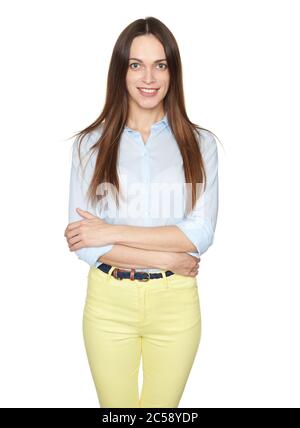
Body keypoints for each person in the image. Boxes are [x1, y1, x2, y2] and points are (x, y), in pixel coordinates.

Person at [64, 16, 219, 408]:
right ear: (121, 71)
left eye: (160, 64)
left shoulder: (200, 145)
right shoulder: (89, 145)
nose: (148, 77)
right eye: (136, 64)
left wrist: (111, 232)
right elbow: (85, 244)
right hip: (108, 304)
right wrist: (168, 257)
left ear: (172, 72)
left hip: (176, 304)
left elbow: (198, 233)